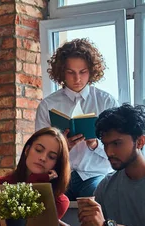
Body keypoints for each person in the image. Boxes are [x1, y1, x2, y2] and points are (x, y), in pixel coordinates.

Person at [35, 38, 118, 200]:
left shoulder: (106, 102)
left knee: (98, 198)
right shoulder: (48, 105)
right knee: (41, 201)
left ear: (92, 71)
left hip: (95, 175)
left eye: (83, 72)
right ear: (61, 72)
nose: (77, 78)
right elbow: (39, 152)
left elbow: (118, 148)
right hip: (60, 176)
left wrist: (95, 144)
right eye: (70, 72)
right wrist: (63, 146)